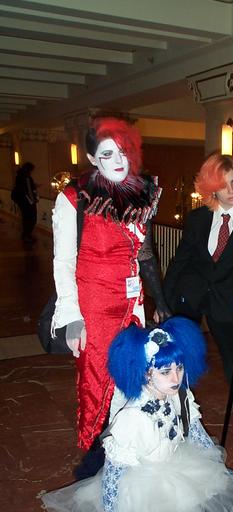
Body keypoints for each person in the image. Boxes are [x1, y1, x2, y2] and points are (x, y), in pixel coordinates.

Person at [42, 317, 233, 512]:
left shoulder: (179, 393)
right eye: (165, 371)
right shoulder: (132, 418)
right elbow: (112, 482)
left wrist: (221, 472)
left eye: (179, 367)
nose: (176, 377)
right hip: (141, 484)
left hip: (178, 465)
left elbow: (197, 434)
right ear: (146, 374)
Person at [51, 117, 170, 452]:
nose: (119, 160)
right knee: (96, 382)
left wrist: (160, 301)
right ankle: (96, 455)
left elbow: (145, 253)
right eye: (107, 154)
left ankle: (128, 449)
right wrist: (72, 316)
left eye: (123, 151)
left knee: (134, 377)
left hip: (133, 305)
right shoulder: (74, 197)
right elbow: (63, 262)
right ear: (92, 159)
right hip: (94, 307)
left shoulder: (141, 193)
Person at [164, 153, 233, 385]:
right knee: (178, 359)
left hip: (231, 303)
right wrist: (164, 301)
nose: (231, 190)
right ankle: (180, 401)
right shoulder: (197, 218)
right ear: (211, 188)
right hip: (192, 298)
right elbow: (180, 261)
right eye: (223, 185)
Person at [12, 162, 38, 243]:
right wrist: (33, 200)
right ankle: (26, 235)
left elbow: (24, 188)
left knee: (26, 218)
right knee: (31, 218)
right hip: (27, 201)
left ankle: (26, 235)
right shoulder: (26, 177)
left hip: (22, 200)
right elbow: (28, 191)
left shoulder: (19, 175)